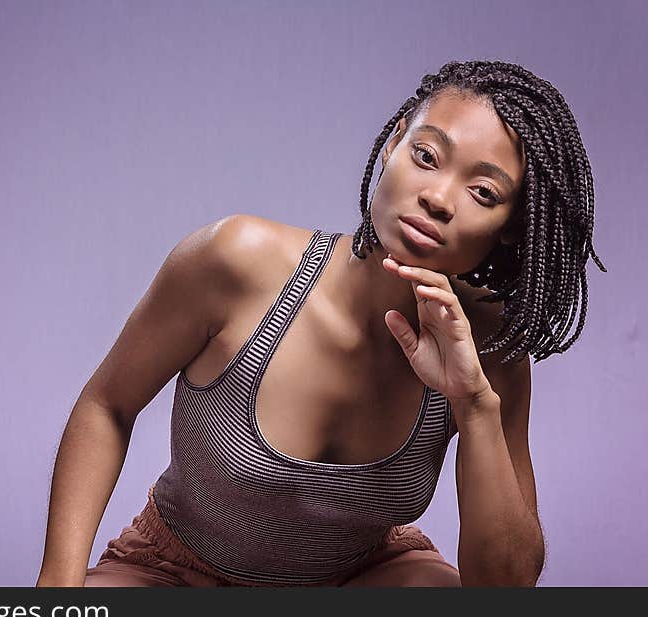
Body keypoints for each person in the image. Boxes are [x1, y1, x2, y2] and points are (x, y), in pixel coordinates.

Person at [35, 59, 606, 588]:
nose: (437, 197)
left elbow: (503, 593)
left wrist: (474, 403)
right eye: (427, 156)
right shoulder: (236, 261)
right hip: (179, 573)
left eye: (483, 192)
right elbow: (107, 406)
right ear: (392, 144)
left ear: (510, 226)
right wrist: (56, 590)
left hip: (361, 580)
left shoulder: (489, 347)